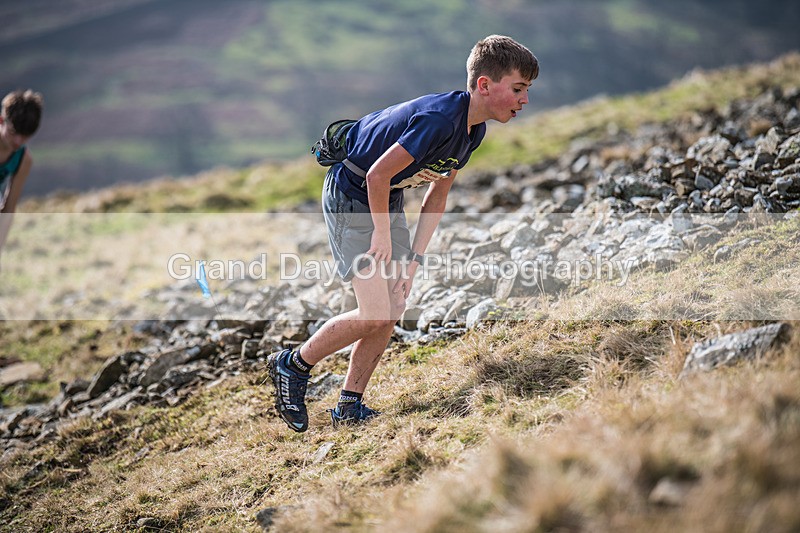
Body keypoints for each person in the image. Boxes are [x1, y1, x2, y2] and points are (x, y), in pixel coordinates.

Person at [269, 35, 539, 432]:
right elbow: (377, 174)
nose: (524, 100)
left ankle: (349, 406)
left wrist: (413, 259)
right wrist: (380, 235)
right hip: (352, 194)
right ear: (485, 85)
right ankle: (292, 364)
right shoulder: (439, 120)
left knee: (392, 307)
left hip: (383, 197)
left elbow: (437, 194)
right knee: (374, 312)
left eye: (527, 91)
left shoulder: (473, 131)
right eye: (518, 89)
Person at [0, 90, 44, 272]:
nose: (18, 141)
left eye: (26, 136)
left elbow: (8, 209)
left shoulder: (23, 160)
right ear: (1, 121)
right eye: (13, 133)